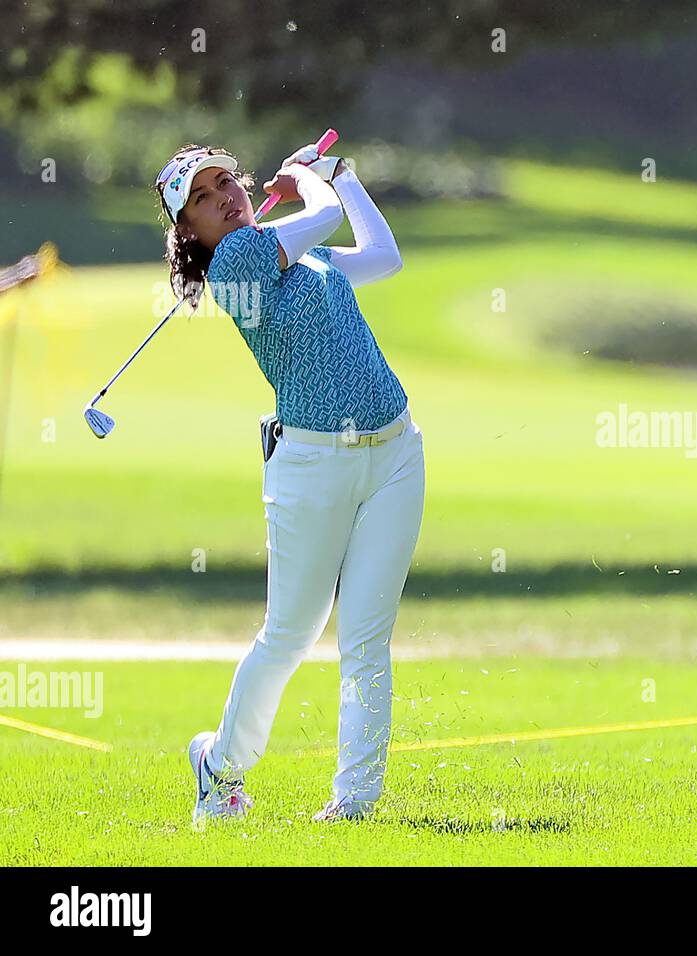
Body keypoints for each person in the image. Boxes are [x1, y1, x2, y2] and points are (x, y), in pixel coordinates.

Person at [153, 141, 425, 824]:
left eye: (226, 183)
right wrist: (313, 178)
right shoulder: (238, 261)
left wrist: (345, 177)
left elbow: (382, 255)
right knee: (291, 634)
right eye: (205, 200)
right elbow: (325, 216)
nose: (225, 199)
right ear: (191, 232)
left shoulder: (293, 255)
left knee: (366, 638)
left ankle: (354, 804)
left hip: (395, 452)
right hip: (312, 466)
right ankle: (219, 772)